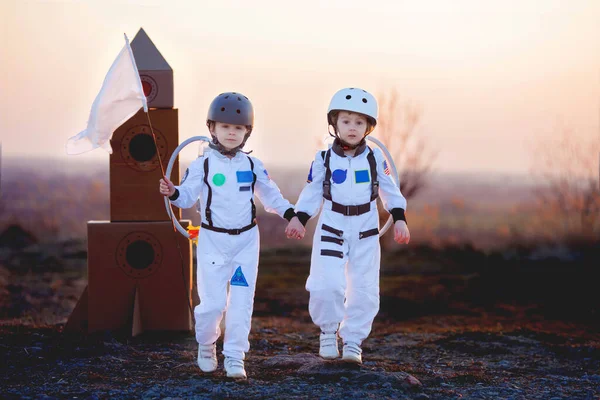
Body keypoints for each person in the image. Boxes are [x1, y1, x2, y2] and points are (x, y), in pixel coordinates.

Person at [160, 92, 304, 379]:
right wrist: (173, 192)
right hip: (213, 240)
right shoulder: (203, 164)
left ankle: (236, 356)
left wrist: (293, 215)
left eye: (238, 128)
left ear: (247, 132)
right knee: (213, 303)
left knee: (241, 302)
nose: (231, 133)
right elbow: (186, 197)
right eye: (225, 127)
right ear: (211, 128)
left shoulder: (252, 166)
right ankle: (207, 345)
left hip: (246, 243)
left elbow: (272, 196)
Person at [285, 87, 410, 364]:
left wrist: (399, 218)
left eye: (359, 122)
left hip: (365, 229)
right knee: (326, 283)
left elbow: (390, 191)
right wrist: (299, 217)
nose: (352, 128)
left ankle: (353, 340)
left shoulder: (376, 159)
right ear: (334, 123)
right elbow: (311, 192)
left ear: (368, 127)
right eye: (346, 121)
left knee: (364, 288)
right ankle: (329, 332)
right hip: (332, 225)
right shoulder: (323, 160)